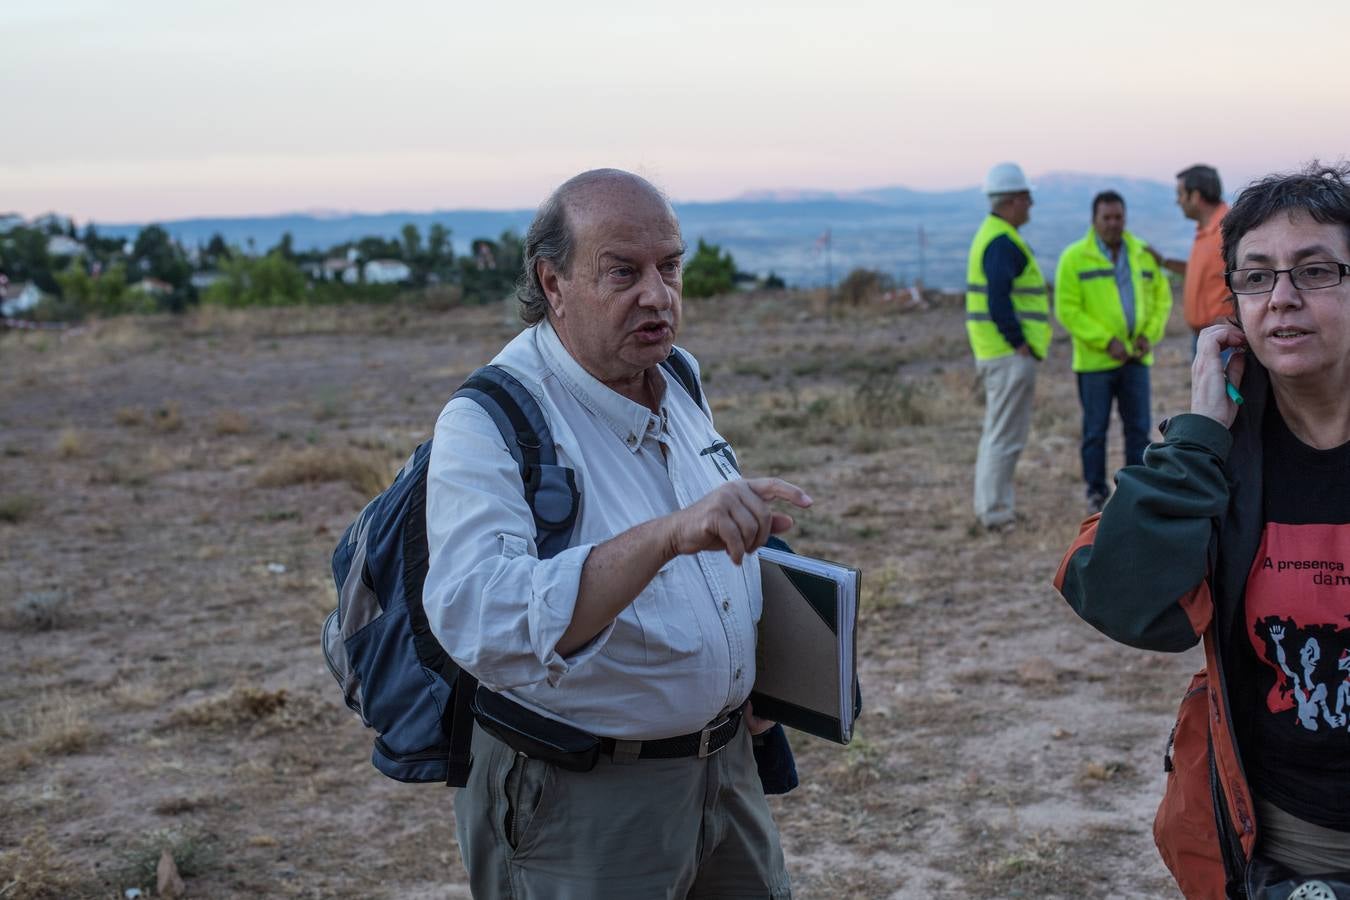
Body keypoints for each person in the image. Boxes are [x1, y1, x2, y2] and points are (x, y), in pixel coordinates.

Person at [421, 168, 811, 899]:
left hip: (722, 774)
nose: (658, 295)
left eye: (670, 267)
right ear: (554, 282)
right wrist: (667, 536)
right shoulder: (488, 419)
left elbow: (705, 567)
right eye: (623, 273)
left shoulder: (679, 375)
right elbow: (484, 616)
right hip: (582, 801)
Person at [1055, 164, 1350, 897]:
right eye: (1256, 278)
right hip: (1287, 841)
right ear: (1233, 309)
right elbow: (1121, 600)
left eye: (1314, 271)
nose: (1282, 298)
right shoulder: (1218, 455)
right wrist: (1196, 437)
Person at [1053, 191, 1171, 512]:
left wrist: (1150, 334)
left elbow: (1162, 298)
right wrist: (1106, 341)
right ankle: (1095, 493)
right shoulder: (1074, 258)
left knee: (1138, 429)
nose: (1113, 224)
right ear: (1094, 220)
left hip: (1136, 360)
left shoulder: (1143, 255)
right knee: (1095, 430)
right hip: (1095, 364)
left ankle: (1135, 490)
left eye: (1118, 217)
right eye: (1106, 218)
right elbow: (1067, 309)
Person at [965, 161, 1050, 530]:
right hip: (1007, 354)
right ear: (1013, 200)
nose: (1031, 204)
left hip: (996, 352)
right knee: (1005, 437)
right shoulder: (1002, 241)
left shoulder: (993, 235)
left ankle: (992, 508)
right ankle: (996, 514)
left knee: (997, 433)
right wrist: (1020, 344)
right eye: (1027, 198)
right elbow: (998, 300)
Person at [1157, 164, 1231, 355]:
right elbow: (1204, 274)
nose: (1178, 201)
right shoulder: (1204, 230)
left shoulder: (1230, 229)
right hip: (1204, 338)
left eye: (1180, 194)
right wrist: (1163, 262)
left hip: (1225, 341)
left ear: (1196, 196)